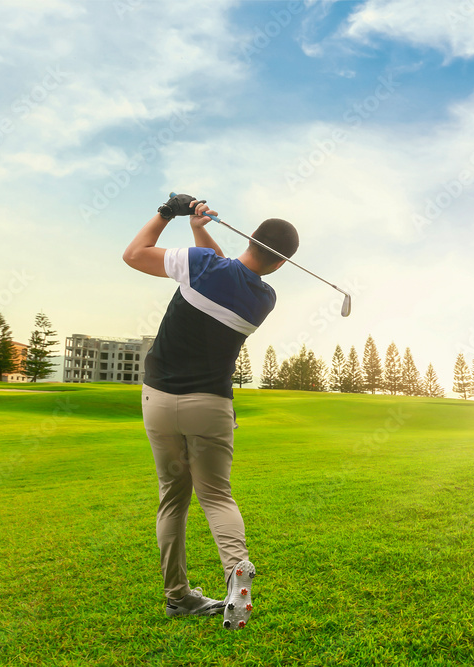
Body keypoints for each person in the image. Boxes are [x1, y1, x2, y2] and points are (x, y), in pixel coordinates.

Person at [122, 193, 299, 630]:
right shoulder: (264, 298)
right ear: (279, 264)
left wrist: (170, 212)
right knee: (217, 496)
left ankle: (177, 597)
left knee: (173, 500)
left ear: (251, 237)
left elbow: (134, 255)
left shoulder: (201, 265)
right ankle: (235, 569)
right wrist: (200, 227)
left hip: (158, 402)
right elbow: (228, 273)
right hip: (212, 406)